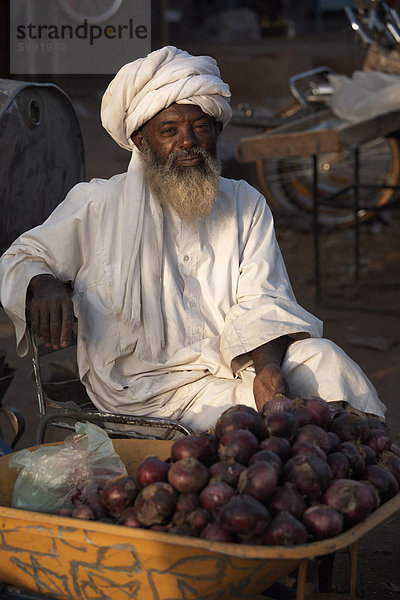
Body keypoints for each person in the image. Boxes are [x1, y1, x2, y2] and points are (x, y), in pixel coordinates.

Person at [0, 46, 386, 435]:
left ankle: (372, 465)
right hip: (146, 389)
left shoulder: (243, 203)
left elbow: (264, 298)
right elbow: (21, 256)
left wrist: (268, 369)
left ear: (216, 131)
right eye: (169, 130)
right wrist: (42, 281)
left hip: (235, 363)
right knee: (255, 428)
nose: (188, 142)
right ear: (141, 139)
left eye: (200, 127)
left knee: (326, 361)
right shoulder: (98, 203)